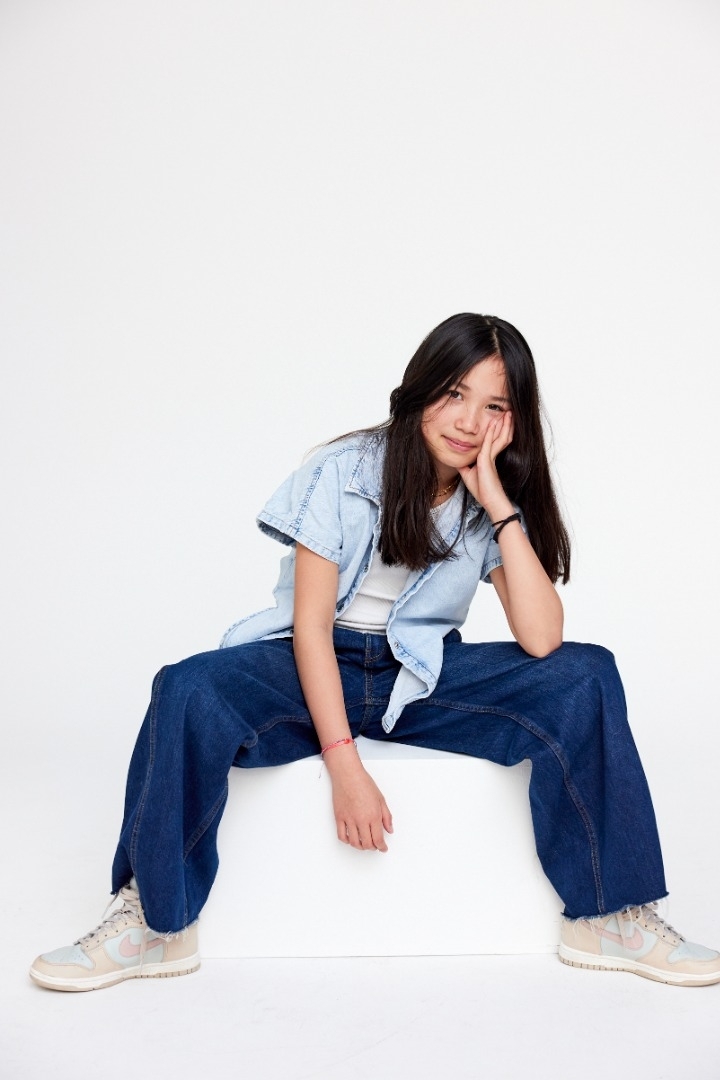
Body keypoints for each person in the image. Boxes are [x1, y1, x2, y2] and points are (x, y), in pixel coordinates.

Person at [30, 313, 720, 991]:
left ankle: (606, 917)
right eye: (455, 393)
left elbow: (542, 639)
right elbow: (310, 628)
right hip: (310, 664)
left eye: (494, 406)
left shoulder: (488, 496)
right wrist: (345, 766)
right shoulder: (343, 471)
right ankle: (154, 924)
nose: (468, 421)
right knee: (185, 689)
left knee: (585, 673)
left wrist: (497, 501)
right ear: (421, 388)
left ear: (513, 420)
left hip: (418, 675)